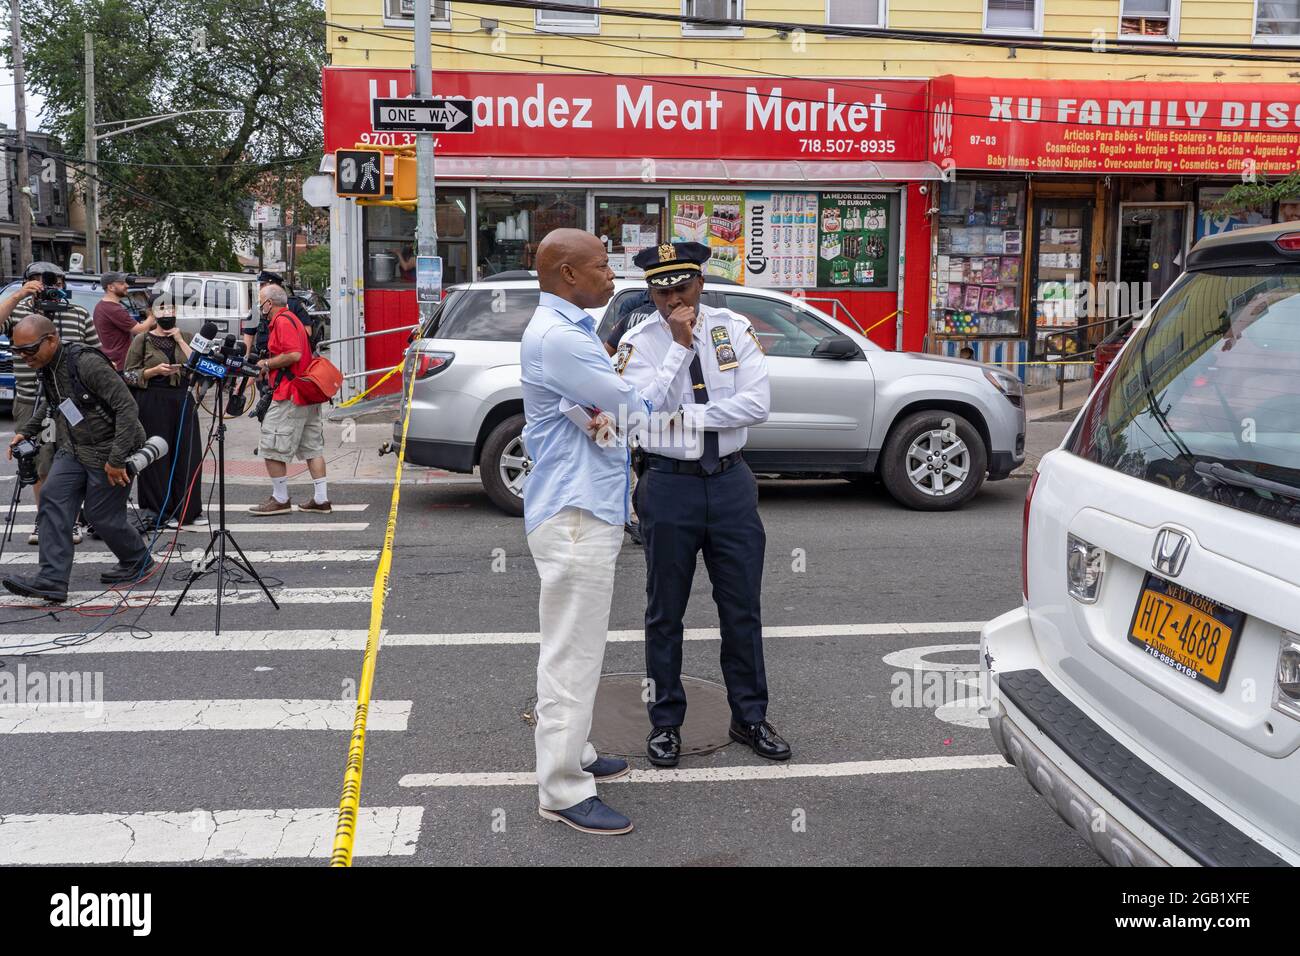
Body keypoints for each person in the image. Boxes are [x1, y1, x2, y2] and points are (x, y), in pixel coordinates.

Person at [519, 228, 682, 836]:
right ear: (567, 274)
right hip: (575, 513)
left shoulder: (568, 331)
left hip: (581, 506)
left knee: (573, 646)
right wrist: (675, 350)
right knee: (573, 653)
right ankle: (561, 789)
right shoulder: (561, 338)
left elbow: (598, 410)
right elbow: (633, 406)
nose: (613, 276)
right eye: (601, 266)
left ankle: (576, 751)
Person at [618, 241, 792, 768]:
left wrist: (685, 418)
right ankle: (666, 723)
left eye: (682, 287)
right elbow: (634, 416)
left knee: (741, 608)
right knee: (664, 612)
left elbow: (757, 405)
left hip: (731, 482)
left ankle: (750, 716)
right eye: (661, 289)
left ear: (701, 284)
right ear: (649, 290)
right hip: (669, 485)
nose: (673, 299)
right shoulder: (640, 339)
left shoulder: (732, 329)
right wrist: (676, 346)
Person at [2, 315, 155, 603]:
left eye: (29, 350)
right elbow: (55, 402)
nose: (24, 357)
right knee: (51, 498)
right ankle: (52, 580)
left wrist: (118, 459)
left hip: (110, 450)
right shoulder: (47, 366)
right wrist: (27, 432)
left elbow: (127, 407)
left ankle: (137, 559)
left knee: (102, 516)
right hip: (73, 449)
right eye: (18, 352)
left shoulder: (85, 362)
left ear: (52, 339)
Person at [0, 261, 100, 546]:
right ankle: (44, 517)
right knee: (40, 461)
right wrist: (19, 296)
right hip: (32, 400)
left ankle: (71, 520)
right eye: (39, 281)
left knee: (75, 460)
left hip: (74, 405)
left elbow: (97, 357)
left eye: (54, 281)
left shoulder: (78, 314)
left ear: (63, 284)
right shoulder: (18, 312)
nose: (47, 286)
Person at [248, 284, 331, 516]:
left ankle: (280, 498)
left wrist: (266, 364)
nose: (259, 305)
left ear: (269, 304)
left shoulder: (283, 321)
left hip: (289, 394)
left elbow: (293, 354)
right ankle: (321, 499)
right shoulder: (293, 319)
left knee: (271, 445)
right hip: (305, 392)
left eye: (260, 301)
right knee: (312, 447)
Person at [122, 302, 205, 528]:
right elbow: (128, 375)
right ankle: (159, 511)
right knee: (157, 455)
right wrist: (153, 371)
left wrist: (179, 340)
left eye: (171, 310)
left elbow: (199, 365)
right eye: (162, 310)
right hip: (153, 399)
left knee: (187, 452)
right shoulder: (142, 340)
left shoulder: (187, 335)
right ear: (153, 314)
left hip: (182, 397)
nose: (167, 314)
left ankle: (188, 510)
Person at [93, 271, 154, 370]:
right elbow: (140, 330)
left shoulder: (101, 306)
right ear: (111, 287)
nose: (126, 285)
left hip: (112, 361)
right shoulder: (113, 309)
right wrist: (152, 315)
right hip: (121, 363)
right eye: (121, 283)